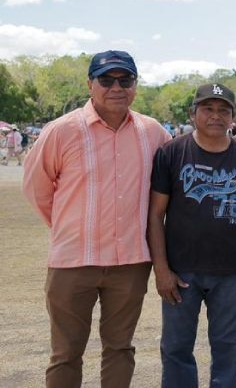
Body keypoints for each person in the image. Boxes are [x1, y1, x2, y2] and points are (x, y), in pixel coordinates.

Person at [22, 50, 172, 387]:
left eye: (125, 79)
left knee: (120, 349)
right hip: (74, 261)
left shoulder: (153, 133)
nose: (116, 87)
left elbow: (181, 169)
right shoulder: (61, 131)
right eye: (106, 79)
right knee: (65, 353)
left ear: (135, 85)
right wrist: (69, 226)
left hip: (131, 262)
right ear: (90, 84)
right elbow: (37, 189)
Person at [147, 83, 236, 387]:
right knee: (176, 347)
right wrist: (161, 269)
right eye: (208, 109)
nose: (216, 116)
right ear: (193, 113)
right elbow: (155, 214)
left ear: (233, 117)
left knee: (227, 347)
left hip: (230, 270)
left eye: (223, 110)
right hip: (180, 269)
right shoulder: (172, 152)